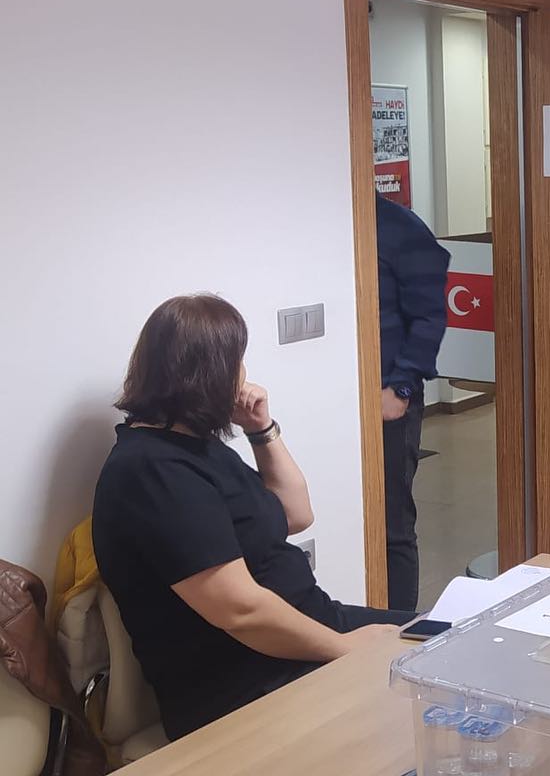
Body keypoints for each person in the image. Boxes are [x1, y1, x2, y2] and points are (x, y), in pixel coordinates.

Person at [92, 295, 414, 740]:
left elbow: (296, 514)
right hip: (245, 683)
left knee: (455, 634)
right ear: (208, 374)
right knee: (428, 692)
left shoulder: (197, 446)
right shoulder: (151, 472)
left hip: (312, 627)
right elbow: (240, 610)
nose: (243, 374)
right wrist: (345, 650)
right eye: (236, 362)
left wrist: (260, 429)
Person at [376, 194, 451, 611]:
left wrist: (401, 387)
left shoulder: (400, 227)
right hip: (341, 398)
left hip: (389, 398)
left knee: (393, 525)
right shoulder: (327, 225)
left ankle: (399, 627)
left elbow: (429, 315)